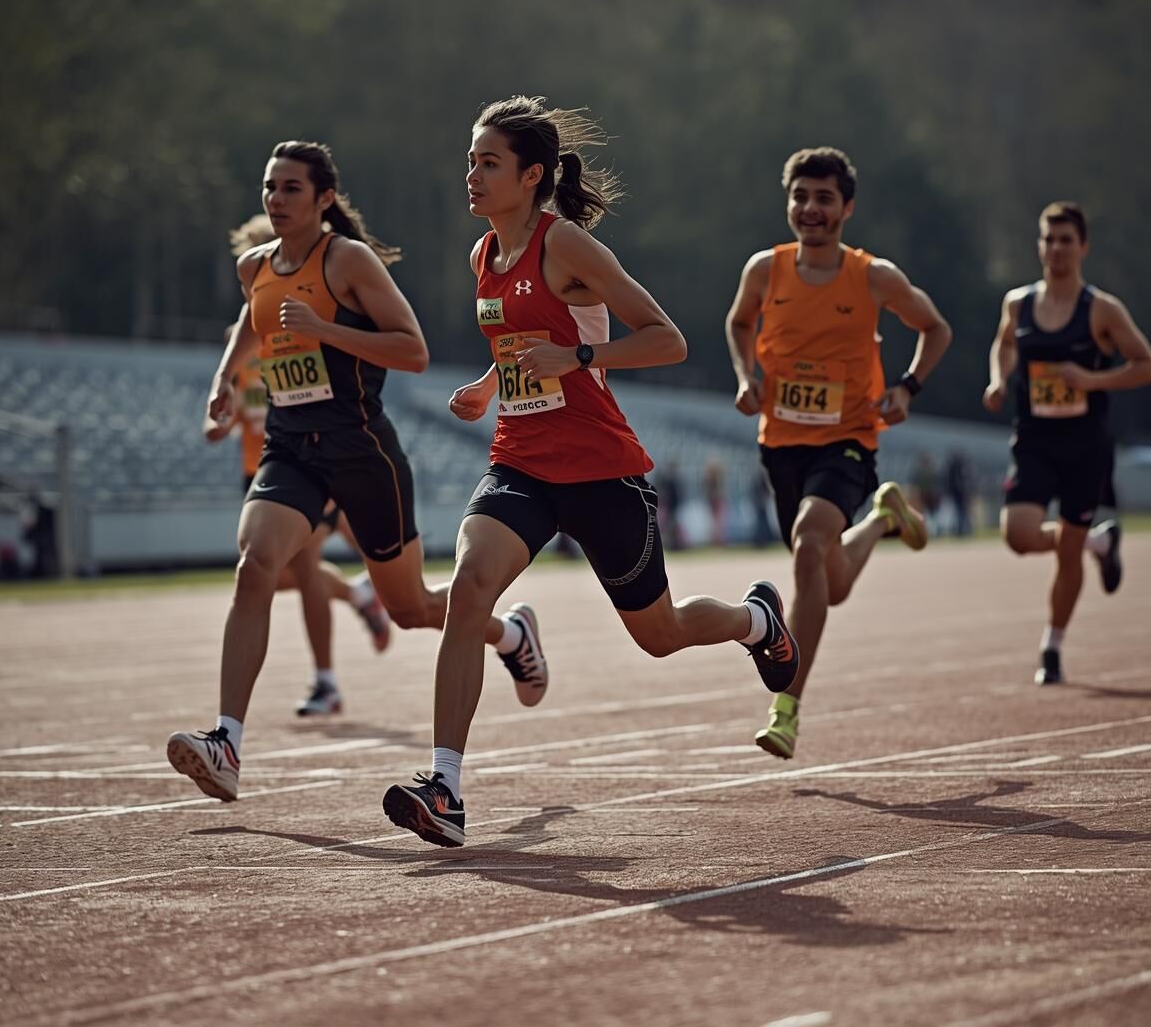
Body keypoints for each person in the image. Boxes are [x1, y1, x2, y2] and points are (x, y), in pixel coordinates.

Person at [382, 96, 798, 848]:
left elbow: (665, 339)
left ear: (530, 174)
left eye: (488, 162)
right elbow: (522, 338)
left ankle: (756, 620)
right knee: (470, 589)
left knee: (661, 634)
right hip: (521, 463)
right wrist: (488, 384)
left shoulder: (566, 246)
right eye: (470, 160)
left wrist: (577, 359)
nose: (471, 175)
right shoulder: (485, 254)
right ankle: (445, 787)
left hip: (604, 471)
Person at [168, 140, 548, 802]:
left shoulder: (347, 262)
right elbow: (248, 323)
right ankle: (227, 741)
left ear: (323, 199)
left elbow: (414, 350)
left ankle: (509, 633)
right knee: (256, 563)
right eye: (269, 187)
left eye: (291, 189)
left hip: (360, 449)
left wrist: (325, 328)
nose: (276, 200)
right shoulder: (254, 266)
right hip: (291, 450)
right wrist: (224, 379)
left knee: (412, 608)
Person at [726, 146, 952, 760]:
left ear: (847, 207)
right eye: (801, 196)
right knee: (828, 581)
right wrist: (748, 377)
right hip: (782, 445)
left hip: (849, 438)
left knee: (807, 543)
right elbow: (739, 323)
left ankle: (786, 708)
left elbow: (935, 327)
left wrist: (907, 386)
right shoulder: (765, 271)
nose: (810, 209)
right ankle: (883, 518)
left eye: (824, 198)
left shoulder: (873, 276)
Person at [202, 216, 393, 720]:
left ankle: (326, 681)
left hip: (315, 453)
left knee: (304, 567)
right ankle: (357, 593)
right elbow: (243, 403)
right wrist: (223, 421)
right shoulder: (242, 336)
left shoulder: (312, 305)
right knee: (268, 573)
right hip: (264, 465)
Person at [983, 201, 1151, 685]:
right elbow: (1005, 342)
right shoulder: (1018, 303)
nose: (1055, 249)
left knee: (1066, 551)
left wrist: (1091, 381)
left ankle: (1052, 647)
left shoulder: (1101, 309)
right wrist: (999, 380)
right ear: (1039, 245)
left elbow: (1143, 363)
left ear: (1083, 248)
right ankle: (1100, 542)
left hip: (1085, 445)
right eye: (1048, 239)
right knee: (1017, 535)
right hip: (1034, 438)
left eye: (1065, 241)